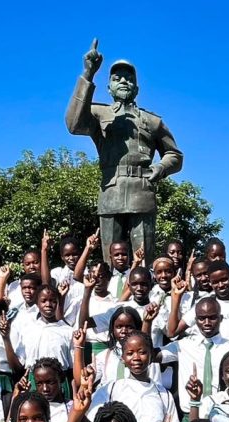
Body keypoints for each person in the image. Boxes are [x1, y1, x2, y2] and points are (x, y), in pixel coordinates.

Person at [65, 39, 183, 262]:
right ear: (108, 88)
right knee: (111, 260)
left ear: (137, 88)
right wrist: (88, 74)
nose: (123, 81)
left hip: (142, 192)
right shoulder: (99, 114)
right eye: (116, 78)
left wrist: (160, 168)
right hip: (111, 192)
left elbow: (175, 155)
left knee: (144, 261)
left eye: (129, 78)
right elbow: (73, 124)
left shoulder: (152, 121)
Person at [87, 331, 179, 422]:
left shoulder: (164, 395)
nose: (136, 358)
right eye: (130, 353)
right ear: (123, 358)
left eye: (142, 352)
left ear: (152, 355)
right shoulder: (110, 389)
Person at [171, 297, 229, 416]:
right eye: (201, 318)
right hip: (190, 414)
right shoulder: (183, 346)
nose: (207, 323)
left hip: (221, 414)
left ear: (221, 318)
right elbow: (151, 355)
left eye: (212, 317)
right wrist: (147, 322)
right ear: (195, 320)